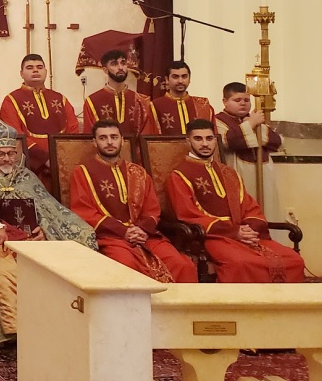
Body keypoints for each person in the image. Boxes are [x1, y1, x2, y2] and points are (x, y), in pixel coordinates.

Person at [0, 119, 97, 347]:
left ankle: (53, 325)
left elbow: (50, 209)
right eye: (1, 154)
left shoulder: (27, 177)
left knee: (59, 262)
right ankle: (16, 331)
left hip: (35, 241)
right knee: (6, 272)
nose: (7, 159)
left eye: (11, 153)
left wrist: (45, 231)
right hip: (0, 244)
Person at [165, 119, 304, 283]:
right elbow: (187, 214)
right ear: (188, 141)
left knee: (293, 260)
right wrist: (234, 232)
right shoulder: (179, 176)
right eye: (198, 139)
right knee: (241, 263)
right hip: (210, 237)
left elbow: (249, 206)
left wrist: (249, 230)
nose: (205, 144)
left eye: (209, 138)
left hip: (243, 233)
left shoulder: (229, 173)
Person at [69, 120, 197, 282]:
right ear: (95, 142)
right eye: (103, 138)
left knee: (181, 264)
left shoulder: (138, 172)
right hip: (110, 238)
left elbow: (152, 210)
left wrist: (141, 230)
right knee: (127, 267)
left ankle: (177, 308)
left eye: (114, 137)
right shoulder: (82, 173)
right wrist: (124, 231)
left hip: (145, 235)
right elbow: (83, 212)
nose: (109, 142)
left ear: (122, 140)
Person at [0, 53, 79, 179]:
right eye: (30, 68)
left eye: (40, 67)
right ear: (21, 73)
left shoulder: (60, 98)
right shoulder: (11, 100)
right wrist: (44, 159)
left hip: (61, 164)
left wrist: (62, 159)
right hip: (29, 167)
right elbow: (15, 134)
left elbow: (73, 129)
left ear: (46, 71)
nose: (35, 70)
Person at [214, 81, 283, 221]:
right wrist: (251, 124)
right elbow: (229, 141)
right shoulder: (218, 121)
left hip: (264, 175)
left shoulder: (255, 120)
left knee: (268, 212)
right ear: (225, 101)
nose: (243, 103)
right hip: (239, 173)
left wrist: (255, 124)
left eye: (246, 100)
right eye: (237, 100)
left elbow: (276, 142)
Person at [81, 49, 153, 137]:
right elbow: (90, 136)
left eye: (123, 63)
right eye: (114, 64)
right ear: (105, 70)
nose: (120, 67)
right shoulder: (92, 101)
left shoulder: (140, 100)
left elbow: (146, 135)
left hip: (133, 150)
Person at [148, 60, 215, 136]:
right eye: (175, 77)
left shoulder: (203, 105)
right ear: (167, 79)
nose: (180, 81)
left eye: (184, 76)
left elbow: (213, 137)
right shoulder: (155, 106)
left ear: (189, 79)